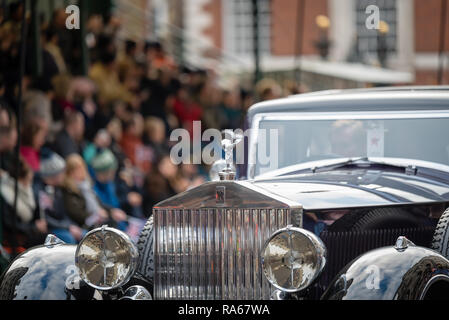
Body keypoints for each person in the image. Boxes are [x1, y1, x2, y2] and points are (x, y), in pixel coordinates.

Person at [36, 149, 86, 244]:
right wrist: (68, 227)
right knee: (68, 239)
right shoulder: (42, 192)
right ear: (52, 176)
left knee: (86, 235)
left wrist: (72, 226)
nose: (64, 175)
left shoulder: (57, 189)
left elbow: (63, 214)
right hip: (52, 229)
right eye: (62, 172)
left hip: (63, 226)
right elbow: (46, 219)